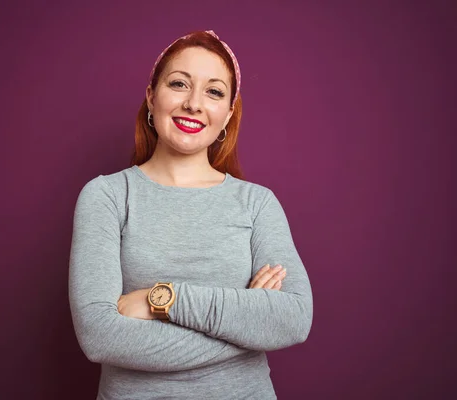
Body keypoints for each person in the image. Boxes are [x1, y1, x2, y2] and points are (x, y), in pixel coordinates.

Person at [68, 30, 313, 400]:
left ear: (228, 112)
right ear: (151, 97)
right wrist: (246, 325)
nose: (194, 104)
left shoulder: (257, 203)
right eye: (179, 84)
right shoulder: (107, 196)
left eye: (213, 91)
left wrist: (162, 299)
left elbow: (293, 318)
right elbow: (100, 337)